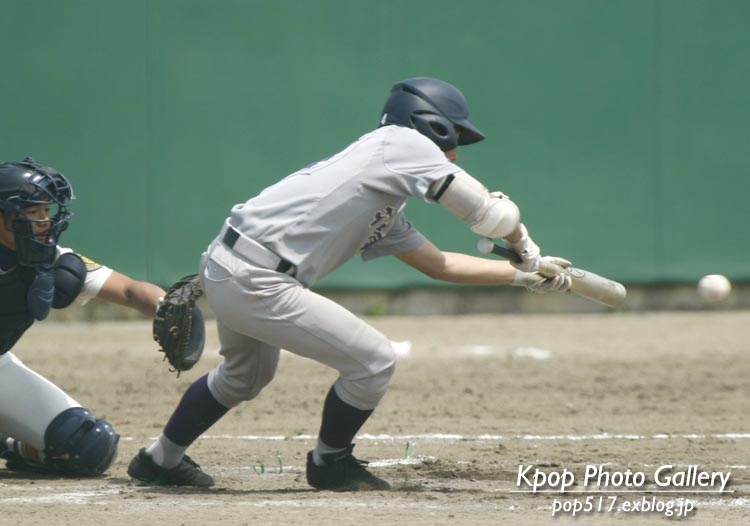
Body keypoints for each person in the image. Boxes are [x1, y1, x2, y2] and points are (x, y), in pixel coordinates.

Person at [126, 77, 573, 490]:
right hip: (259, 277)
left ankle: (159, 459)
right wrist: (525, 243)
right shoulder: (401, 142)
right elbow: (491, 214)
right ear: (429, 124)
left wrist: (524, 275)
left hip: (232, 263)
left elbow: (440, 265)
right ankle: (330, 462)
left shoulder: (381, 184)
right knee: (374, 361)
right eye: (453, 137)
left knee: (245, 376)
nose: (454, 151)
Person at [0, 157, 166, 476]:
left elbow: (130, 290)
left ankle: (9, 444)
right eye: (32, 212)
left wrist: (169, 309)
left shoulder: (49, 260)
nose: (44, 221)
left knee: (86, 445)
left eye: (45, 211)